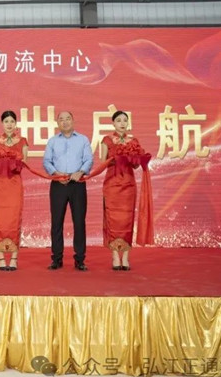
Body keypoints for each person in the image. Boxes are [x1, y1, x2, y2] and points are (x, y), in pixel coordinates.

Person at [43, 111, 93, 271]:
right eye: (61, 119)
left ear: (73, 121)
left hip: (77, 183)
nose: (65, 122)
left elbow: (89, 159)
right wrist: (56, 173)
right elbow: (46, 161)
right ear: (57, 123)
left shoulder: (83, 139)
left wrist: (81, 172)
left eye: (68, 119)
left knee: (79, 222)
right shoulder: (52, 141)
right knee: (56, 222)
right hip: (58, 184)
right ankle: (56, 259)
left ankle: (80, 259)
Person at [101, 111, 149, 271]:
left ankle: (126, 256)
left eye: (125, 120)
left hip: (128, 185)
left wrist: (135, 158)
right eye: (118, 120)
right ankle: (115, 255)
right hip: (112, 184)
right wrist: (117, 158)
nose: (122, 123)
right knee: (113, 219)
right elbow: (103, 162)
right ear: (113, 123)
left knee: (127, 220)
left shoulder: (134, 141)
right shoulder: (107, 140)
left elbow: (135, 165)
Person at [0, 110, 29, 271]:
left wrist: (14, 161)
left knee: (13, 219)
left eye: (12, 121)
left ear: (16, 123)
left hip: (14, 183)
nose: (9, 124)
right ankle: (0, 257)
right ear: (2, 124)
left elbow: (24, 161)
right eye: (6, 121)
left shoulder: (22, 141)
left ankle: (14, 258)